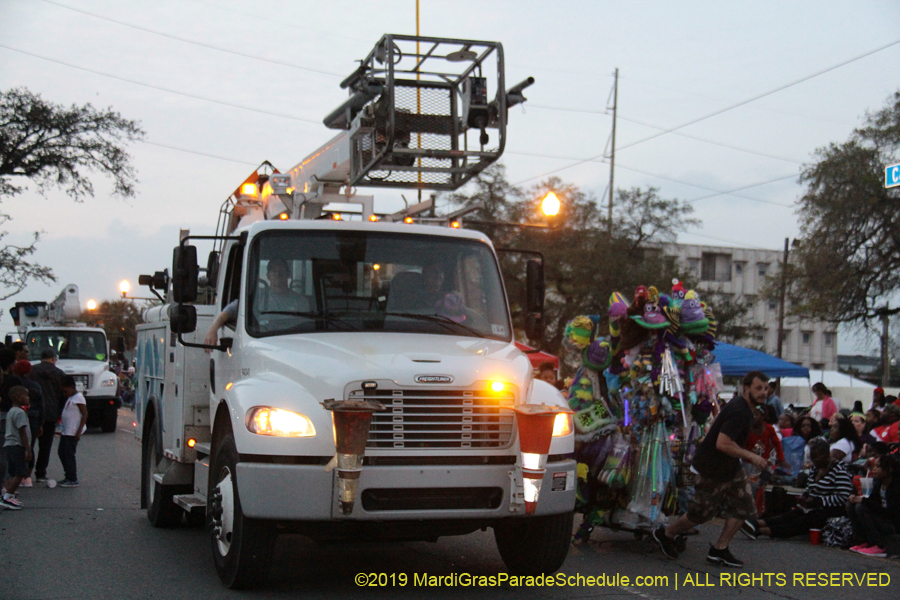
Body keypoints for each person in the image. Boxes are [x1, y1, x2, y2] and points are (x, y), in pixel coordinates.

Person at [652, 371, 769, 568]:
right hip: (712, 468)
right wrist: (751, 456)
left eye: (766, 389)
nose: (763, 393)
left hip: (730, 468)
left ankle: (720, 549)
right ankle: (667, 533)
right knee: (700, 513)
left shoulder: (746, 410)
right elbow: (722, 444)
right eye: (758, 388)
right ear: (746, 388)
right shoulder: (739, 411)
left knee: (743, 507)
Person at [742, 438, 853, 540]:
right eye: (813, 458)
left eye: (818, 458)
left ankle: (762, 531)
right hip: (814, 506)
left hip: (830, 510)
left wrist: (818, 501)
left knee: (801, 521)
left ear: (827, 454)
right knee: (790, 515)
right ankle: (756, 523)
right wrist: (805, 497)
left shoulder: (839, 470)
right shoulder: (816, 468)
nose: (815, 462)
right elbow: (810, 488)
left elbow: (843, 496)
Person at [204, 258, 308, 347]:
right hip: (263, 344)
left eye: (282, 272)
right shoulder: (256, 297)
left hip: (293, 344)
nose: (278, 275)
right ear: (268, 276)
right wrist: (212, 330)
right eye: (274, 272)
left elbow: (306, 328)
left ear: (288, 275)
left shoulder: (300, 301)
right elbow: (229, 311)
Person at [848, 452, 900, 557]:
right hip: (882, 517)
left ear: (889, 469)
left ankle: (879, 545)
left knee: (861, 507)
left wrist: (864, 501)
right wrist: (855, 496)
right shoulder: (878, 482)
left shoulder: (896, 487)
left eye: (878, 467)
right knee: (851, 505)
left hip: (893, 522)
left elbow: (891, 513)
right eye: (873, 466)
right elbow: (872, 501)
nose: (874, 469)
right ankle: (862, 540)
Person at [29, 349, 65, 483]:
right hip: (51, 413)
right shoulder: (59, 374)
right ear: (53, 359)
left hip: (33, 412)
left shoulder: (32, 372)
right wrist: (59, 411)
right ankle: (40, 473)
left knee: (30, 443)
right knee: (45, 445)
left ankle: (27, 472)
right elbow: (63, 395)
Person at [744, 405, 788, 515]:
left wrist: (781, 459)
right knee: (753, 486)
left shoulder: (769, 429)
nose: (754, 417)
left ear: (763, 416)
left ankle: (760, 510)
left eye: (757, 414)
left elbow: (777, 444)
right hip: (750, 463)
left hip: (765, 462)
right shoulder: (747, 429)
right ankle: (751, 511)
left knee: (764, 486)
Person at [12, 360, 43, 487]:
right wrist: (41, 422)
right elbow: (41, 406)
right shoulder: (35, 386)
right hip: (33, 417)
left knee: (15, 445)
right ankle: (27, 476)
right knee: (30, 445)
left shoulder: (14, 384)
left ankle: (15, 475)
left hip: (16, 416)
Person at [1, 386, 33, 509]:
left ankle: (9, 496)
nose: (28, 398)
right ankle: (7, 497)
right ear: (19, 398)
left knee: (13, 472)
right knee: (20, 472)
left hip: (9, 444)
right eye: (26, 396)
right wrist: (27, 449)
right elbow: (22, 431)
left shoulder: (12, 411)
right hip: (17, 445)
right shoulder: (19, 412)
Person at [57, 375, 87, 488]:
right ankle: (67, 476)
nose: (64, 394)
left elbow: (84, 414)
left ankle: (72, 478)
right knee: (62, 453)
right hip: (66, 431)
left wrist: (79, 431)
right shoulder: (70, 398)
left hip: (73, 431)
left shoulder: (78, 398)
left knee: (69, 455)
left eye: (65, 391)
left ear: (71, 387)